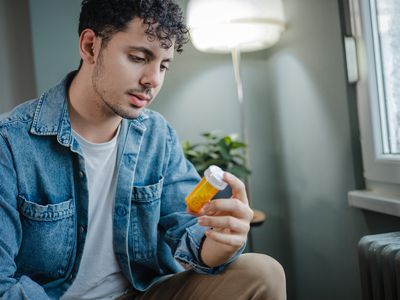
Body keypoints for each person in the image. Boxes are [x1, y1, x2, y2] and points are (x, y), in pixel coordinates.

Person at [0, 0, 286, 299]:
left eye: (163, 65)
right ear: (90, 46)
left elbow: (189, 226)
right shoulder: (10, 143)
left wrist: (221, 243)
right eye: (138, 57)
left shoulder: (157, 135)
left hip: (141, 294)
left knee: (263, 272)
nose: (154, 80)